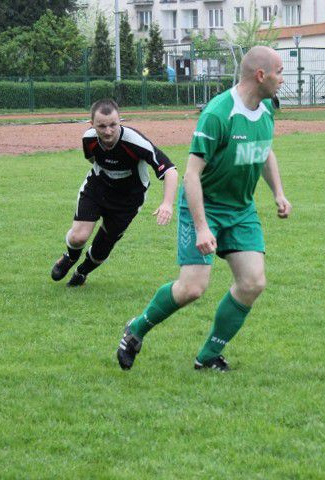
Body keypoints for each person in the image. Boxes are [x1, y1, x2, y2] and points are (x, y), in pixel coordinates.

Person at [116, 46, 292, 372]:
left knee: (252, 283)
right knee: (192, 288)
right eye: (279, 72)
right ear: (260, 75)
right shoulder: (218, 114)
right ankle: (136, 330)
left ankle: (208, 355)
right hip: (204, 206)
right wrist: (201, 227)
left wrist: (278, 193)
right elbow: (191, 176)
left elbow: (264, 150)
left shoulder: (267, 108)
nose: (283, 79)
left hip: (241, 210)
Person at [51, 99, 178, 287]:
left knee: (101, 250)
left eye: (113, 125)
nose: (108, 131)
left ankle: (82, 272)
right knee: (78, 237)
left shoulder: (135, 143)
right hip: (97, 188)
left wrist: (167, 203)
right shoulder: (88, 139)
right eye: (102, 126)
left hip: (128, 200)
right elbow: (92, 159)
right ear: (92, 124)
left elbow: (170, 170)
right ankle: (70, 257)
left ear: (120, 121)